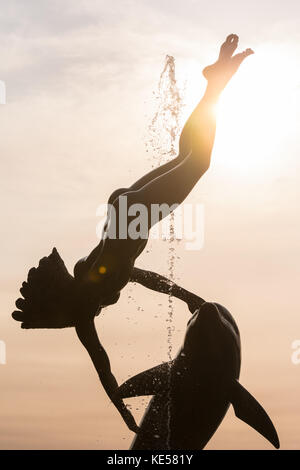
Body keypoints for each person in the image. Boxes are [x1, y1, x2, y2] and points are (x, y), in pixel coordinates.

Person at [12, 35, 253, 433]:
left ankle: (215, 84)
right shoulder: (86, 291)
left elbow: (104, 367)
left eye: (48, 323)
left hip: (131, 216)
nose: (56, 329)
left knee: (199, 163)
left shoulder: (87, 304)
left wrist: (124, 412)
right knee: (187, 157)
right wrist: (186, 295)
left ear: (57, 310)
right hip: (124, 210)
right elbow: (138, 280)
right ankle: (215, 81)